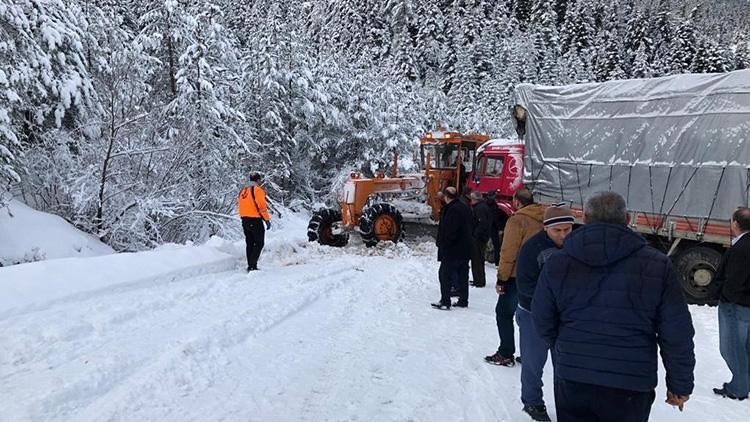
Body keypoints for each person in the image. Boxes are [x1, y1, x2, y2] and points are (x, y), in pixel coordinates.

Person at [532, 192, 695, 422]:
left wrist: (565, 346)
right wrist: (680, 383)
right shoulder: (657, 265)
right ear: (627, 219)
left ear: (585, 219)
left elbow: (541, 318)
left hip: (575, 375)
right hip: (631, 382)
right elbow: (676, 331)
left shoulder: (558, 262)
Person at [515, 203, 575, 421]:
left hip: (565, 318)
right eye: (557, 230)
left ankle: (567, 405)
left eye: (567, 229)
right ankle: (532, 403)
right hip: (534, 315)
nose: (563, 235)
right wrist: (553, 301)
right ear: (546, 228)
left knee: (566, 365)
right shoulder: (532, 249)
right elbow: (525, 285)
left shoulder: (576, 246)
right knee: (533, 363)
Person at [485, 188, 544, 366]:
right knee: (529, 316)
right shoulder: (543, 218)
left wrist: (501, 278)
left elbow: (508, 251)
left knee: (503, 313)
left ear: (517, 202)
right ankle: (529, 353)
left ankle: (505, 353)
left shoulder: (517, 221)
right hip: (538, 275)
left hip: (516, 276)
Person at [711, 207, 750, 400]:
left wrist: (724, 299)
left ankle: (739, 388)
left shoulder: (741, 248)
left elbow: (734, 280)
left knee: (731, 347)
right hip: (747, 305)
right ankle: (745, 382)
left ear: (735, 223)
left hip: (736, 306)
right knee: (745, 347)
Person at [433, 186, 473, 310]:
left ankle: (445, 301)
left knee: (445, 274)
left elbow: (450, 231)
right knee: (463, 274)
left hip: (452, 250)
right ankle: (463, 300)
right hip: (465, 248)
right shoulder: (465, 207)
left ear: (446, 196)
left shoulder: (451, 210)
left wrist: (443, 243)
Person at [238, 172, 271, 271]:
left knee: (250, 243)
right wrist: (267, 220)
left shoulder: (243, 191)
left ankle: (251, 265)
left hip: (244, 220)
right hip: (255, 220)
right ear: (257, 180)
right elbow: (262, 207)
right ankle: (252, 265)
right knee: (259, 243)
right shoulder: (257, 190)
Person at [469, 191, 492, 288]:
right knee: (478, 259)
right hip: (482, 237)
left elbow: (482, 223)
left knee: (477, 259)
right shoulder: (483, 206)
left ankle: (478, 281)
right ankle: (478, 279)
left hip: (479, 238)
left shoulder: (479, 208)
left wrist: (475, 235)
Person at [485, 190, 502, 264]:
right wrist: (500, 228)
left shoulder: (483, 203)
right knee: (496, 244)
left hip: (485, 225)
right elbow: (495, 218)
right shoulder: (495, 206)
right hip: (493, 226)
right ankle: (496, 260)